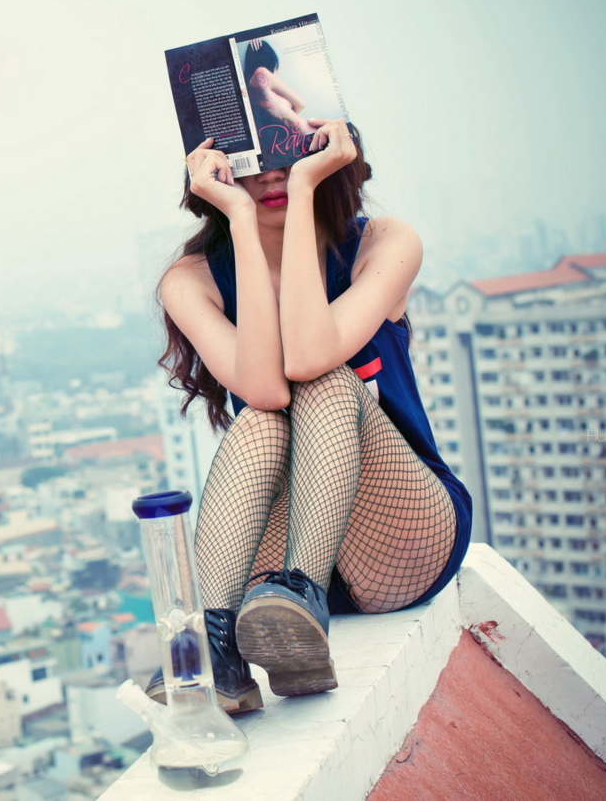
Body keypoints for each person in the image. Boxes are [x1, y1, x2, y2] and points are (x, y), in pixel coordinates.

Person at [148, 121, 473, 713]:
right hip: (269, 576)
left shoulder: (384, 242)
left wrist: (302, 195)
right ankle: (216, 644)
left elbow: (308, 356)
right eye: (249, 157)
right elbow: (263, 388)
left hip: (402, 534)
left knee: (323, 382)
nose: (271, 171)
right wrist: (241, 224)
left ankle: (304, 593)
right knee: (261, 418)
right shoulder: (192, 280)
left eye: (288, 150)